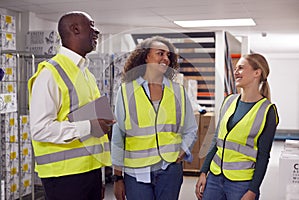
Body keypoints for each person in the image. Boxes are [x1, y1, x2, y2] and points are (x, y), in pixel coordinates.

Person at [28, 11, 115, 200]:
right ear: (75, 29)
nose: (97, 32)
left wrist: (100, 177)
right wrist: (90, 126)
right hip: (63, 177)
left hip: (89, 172)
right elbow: (40, 129)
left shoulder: (86, 74)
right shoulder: (49, 74)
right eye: (91, 26)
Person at [111, 36, 198, 200]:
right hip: (136, 171)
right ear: (145, 57)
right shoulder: (126, 91)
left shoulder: (178, 91)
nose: (165, 58)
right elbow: (118, 137)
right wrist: (118, 177)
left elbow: (191, 128)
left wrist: (179, 155)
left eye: (168, 55)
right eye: (160, 54)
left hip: (169, 170)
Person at [195, 53, 279, 200]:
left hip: (241, 183)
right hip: (214, 177)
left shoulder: (267, 111)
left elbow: (263, 155)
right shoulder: (229, 101)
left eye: (240, 68)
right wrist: (203, 172)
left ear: (257, 73)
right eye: (235, 68)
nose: (235, 72)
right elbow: (216, 140)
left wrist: (253, 190)